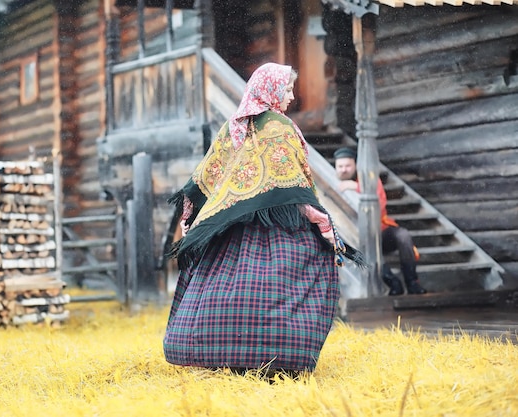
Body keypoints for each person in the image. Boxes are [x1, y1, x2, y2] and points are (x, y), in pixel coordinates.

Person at [163, 63, 364, 377]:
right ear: (270, 91)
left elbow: (207, 174)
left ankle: (222, 353)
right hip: (278, 228)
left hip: (230, 228)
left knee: (225, 293)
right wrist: (321, 223)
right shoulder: (279, 127)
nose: (291, 96)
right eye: (286, 89)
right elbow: (293, 181)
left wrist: (194, 212)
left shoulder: (233, 125)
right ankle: (277, 360)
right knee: (279, 291)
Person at [333, 147, 427, 296]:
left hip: (380, 230)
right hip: (353, 237)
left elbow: (380, 202)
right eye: (340, 166)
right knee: (364, 246)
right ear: (336, 167)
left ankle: (412, 282)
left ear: (355, 165)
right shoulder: (330, 182)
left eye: (348, 166)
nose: (344, 170)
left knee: (403, 235)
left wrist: (357, 187)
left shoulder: (367, 179)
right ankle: (392, 282)